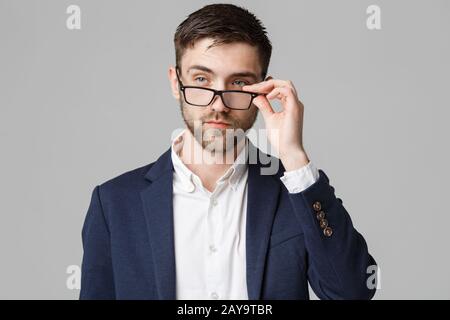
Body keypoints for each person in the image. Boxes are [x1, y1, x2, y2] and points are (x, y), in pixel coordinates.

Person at [80, 3, 377, 300]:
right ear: (175, 81)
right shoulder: (114, 204)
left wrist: (294, 155)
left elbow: (352, 292)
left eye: (238, 83)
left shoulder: (294, 191)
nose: (218, 105)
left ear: (263, 88)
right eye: (201, 79)